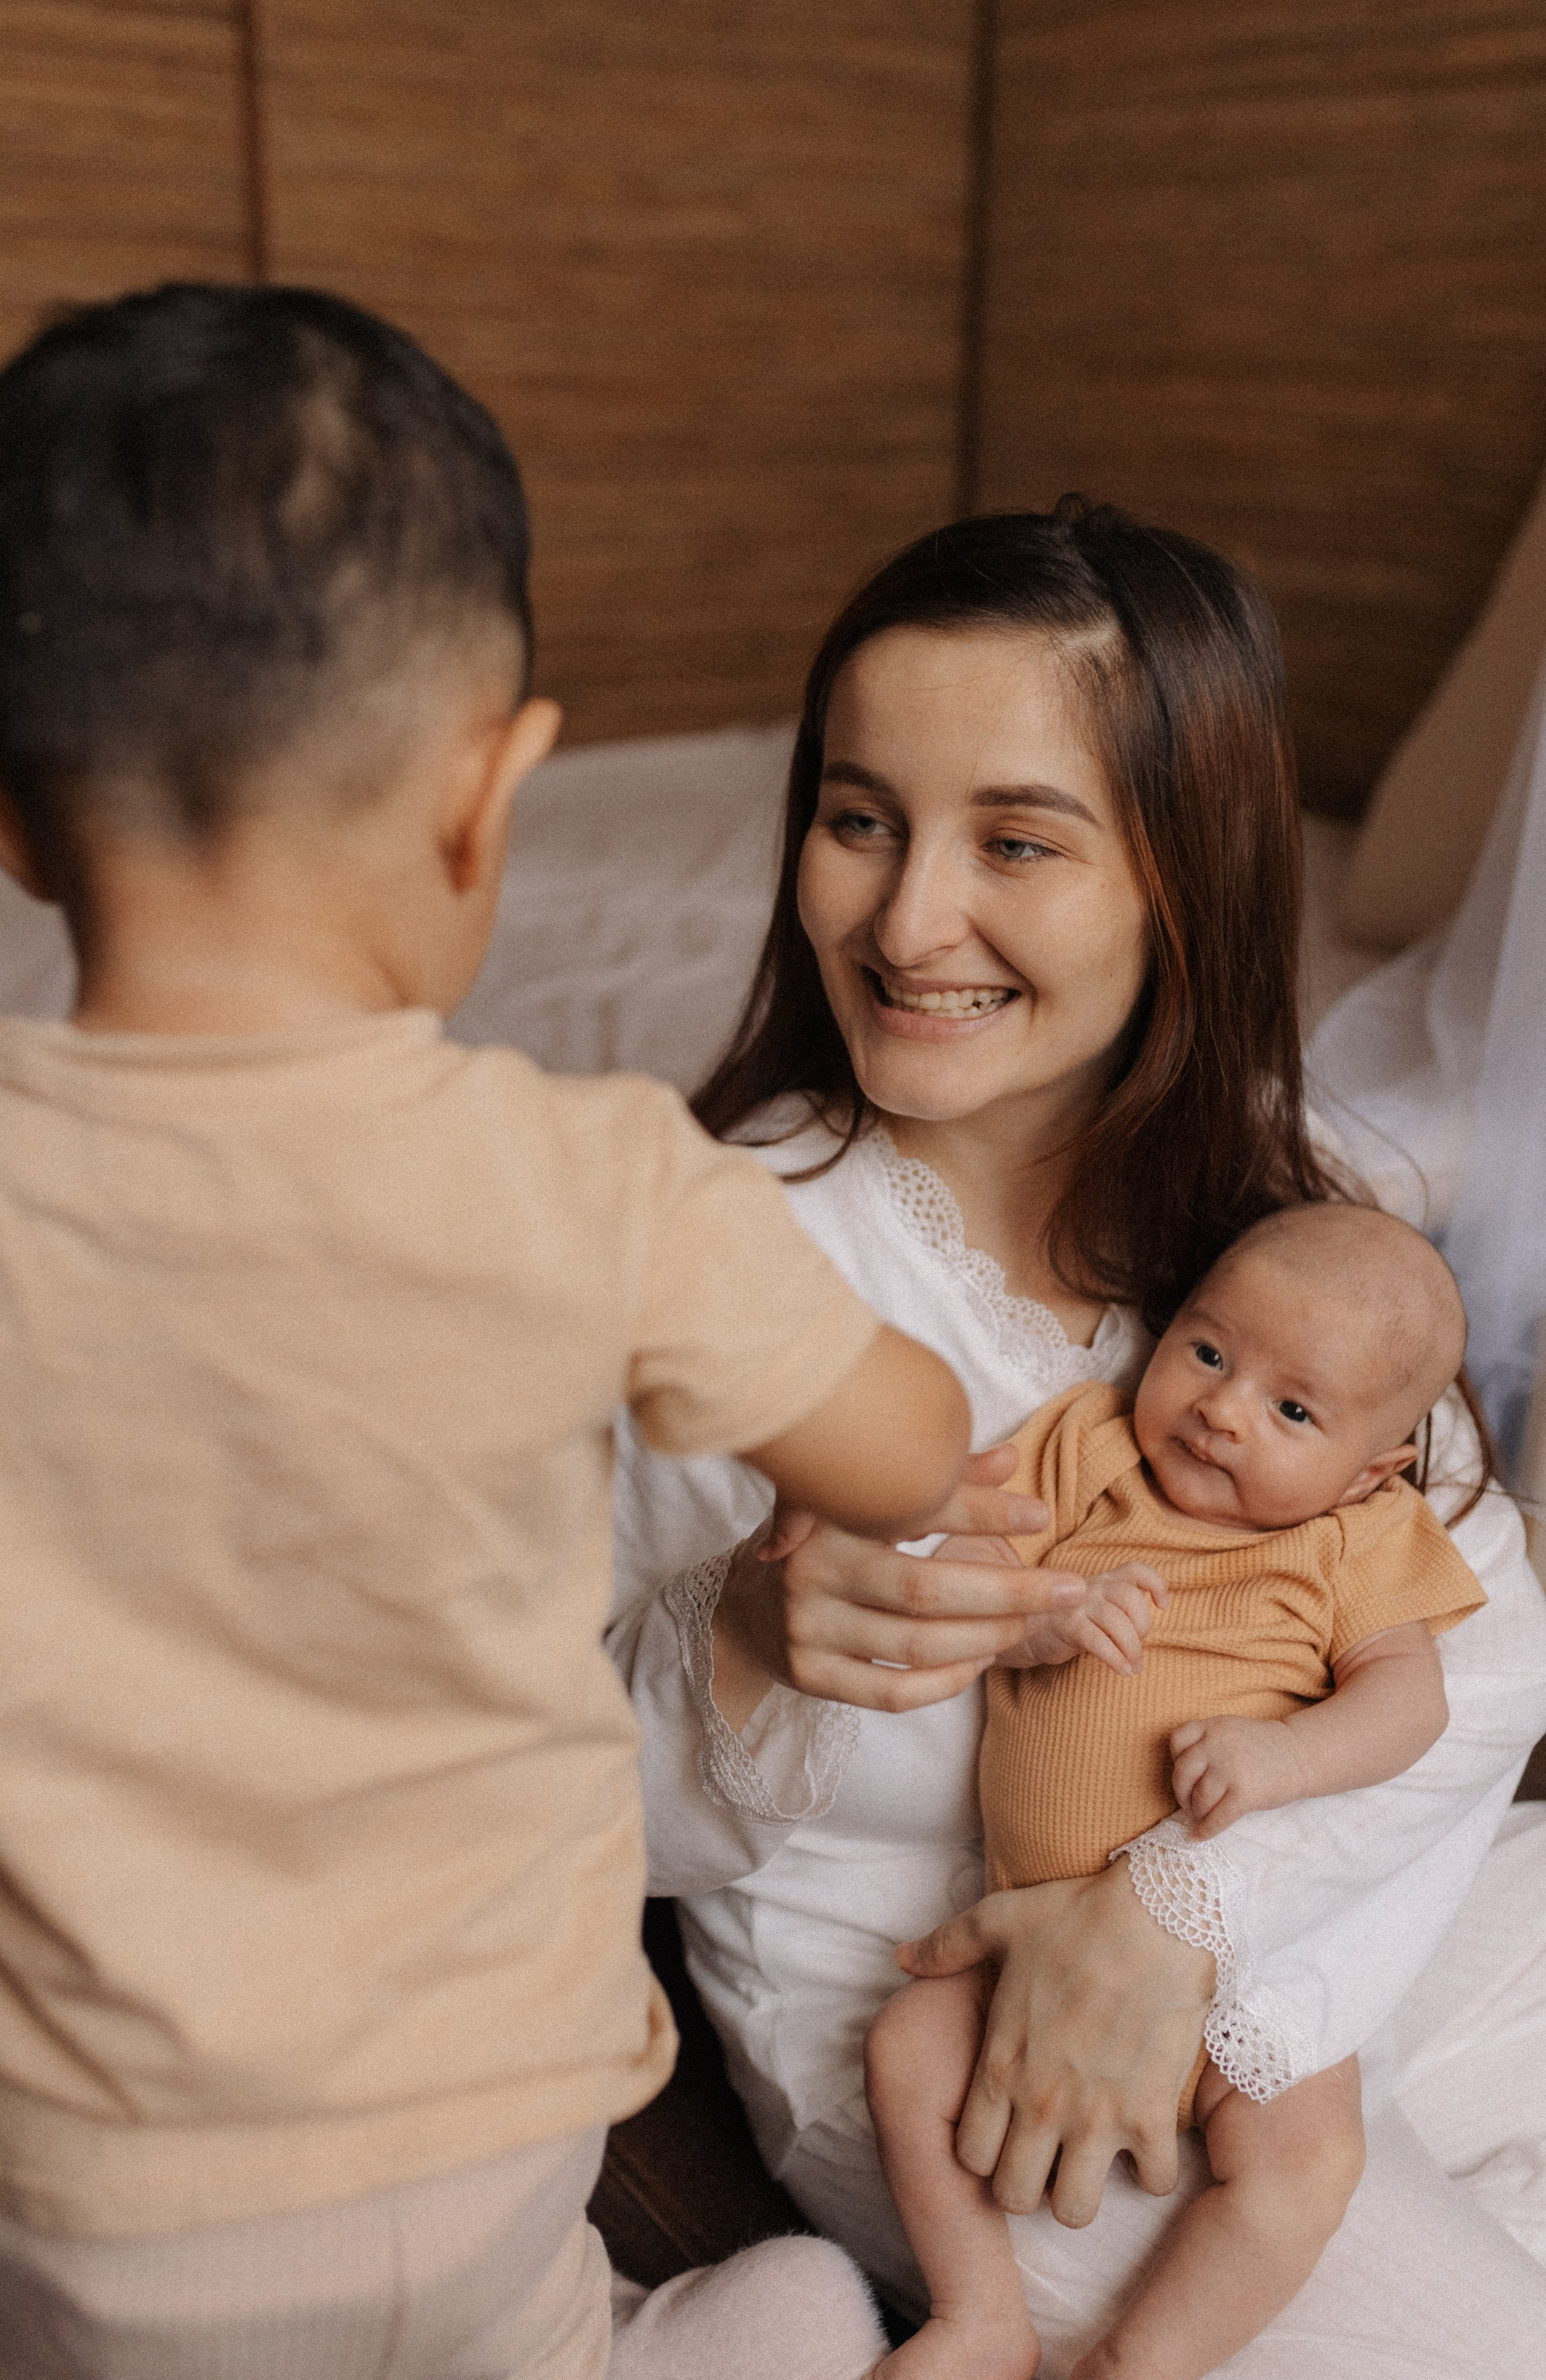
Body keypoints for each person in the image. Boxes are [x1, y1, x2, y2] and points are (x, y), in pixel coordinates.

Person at [0, 283, 980, 2379]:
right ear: (486, 795)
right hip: (497, 2139)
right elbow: (909, 1454)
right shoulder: (589, 1178)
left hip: (91, 2198)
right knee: (772, 2316)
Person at [608, 503, 1546, 2376]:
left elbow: (1493, 1653)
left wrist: (1177, 1917)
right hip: (946, 2047)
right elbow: (534, 1811)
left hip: (1284, 1941)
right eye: (858, 817)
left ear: (1180, 880)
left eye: (1015, 841)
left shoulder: (1294, 1209)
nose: (903, 919)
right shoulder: (722, 1250)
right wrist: (744, 1637)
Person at [866, 1203, 1485, 2380]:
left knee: (1306, 2168)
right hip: (1033, 1943)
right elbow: (970, 1568)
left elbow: (1413, 1705)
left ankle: (1141, 2363)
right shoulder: (1091, 1445)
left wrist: (1284, 1760)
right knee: (904, 2050)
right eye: (1209, 1352)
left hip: (1246, 1951)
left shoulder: (1359, 1541)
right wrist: (1038, 1616)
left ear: (1372, 1469)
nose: (1223, 1407)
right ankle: (978, 2315)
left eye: (1293, 1410)